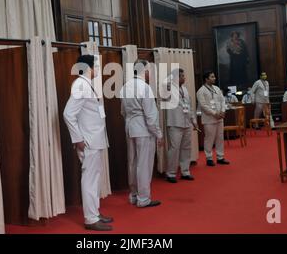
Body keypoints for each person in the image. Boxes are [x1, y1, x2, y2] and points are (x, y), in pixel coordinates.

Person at [63, 54, 113, 231]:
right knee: (90, 179)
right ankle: (90, 219)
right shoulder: (81, 85)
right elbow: (68, 114)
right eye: (97, 66)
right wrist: (78, 139)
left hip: (95, 139)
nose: (98, 70)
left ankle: (95, 212)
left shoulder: (86, 84)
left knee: (95, 178)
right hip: (89, 140)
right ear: (90, 67)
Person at [120, 59, 163, 208]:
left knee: (132, 162)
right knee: (144, 164)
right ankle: (143, 198)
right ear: (144, 71)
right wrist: (158, 133)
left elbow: (123, 111)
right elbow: (151, 116)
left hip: (130, 127)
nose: (149, 73)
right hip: (144, 129)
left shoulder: (125, 87)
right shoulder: (145, 87)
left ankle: (133, 195)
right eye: (149, 70)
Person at [165, 68, 198, 183]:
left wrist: (194, 120)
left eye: (184, 75)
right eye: (181, 76)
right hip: (175, 123)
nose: (184, 78)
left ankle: (185, 171)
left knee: (186, 148)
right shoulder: (168, 88)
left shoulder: (184, 89)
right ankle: (171, 173)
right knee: (174, 149)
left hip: (187, 122)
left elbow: (189, 106)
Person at [197, 71, 230, 167]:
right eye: (212, 77)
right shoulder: (201, 91)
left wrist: (223, 111)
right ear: (206, 79)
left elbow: (222, 100)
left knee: (220, 138)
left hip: (220, 118)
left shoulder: (217, 89)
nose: (214, 78)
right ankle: (209, 158)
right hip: (209, 119)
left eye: (214, 76)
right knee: (209, 139)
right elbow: (203, 106)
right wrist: (214, 113)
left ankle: (220, 157)